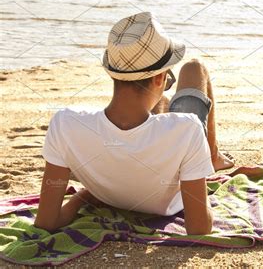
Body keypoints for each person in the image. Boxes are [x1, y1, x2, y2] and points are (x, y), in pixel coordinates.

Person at [34, 12, 235, 235]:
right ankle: (213, 157)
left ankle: (205, 153)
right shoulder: (188, 130)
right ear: (159, 78)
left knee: (162, 103)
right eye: (168, 78)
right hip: (169, 185)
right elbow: (199, 228)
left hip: (111, 193)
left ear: (113, 74)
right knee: (194, 68)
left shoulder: (64, 124)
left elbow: (47, 222)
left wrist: (84, 196)